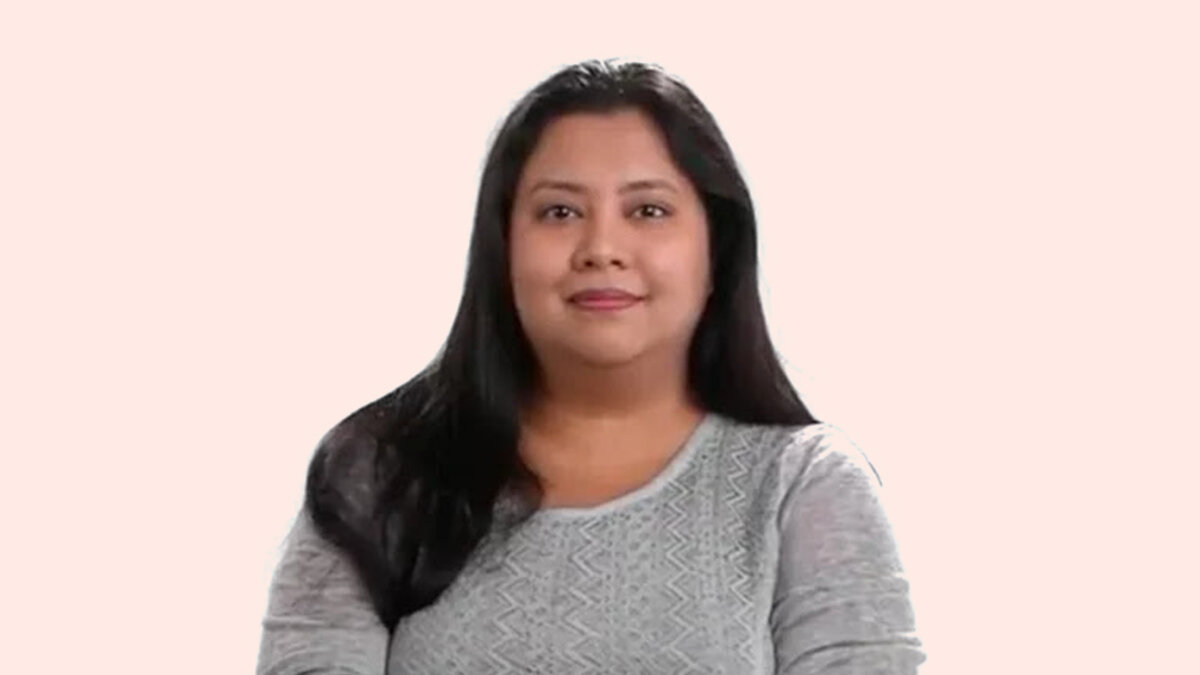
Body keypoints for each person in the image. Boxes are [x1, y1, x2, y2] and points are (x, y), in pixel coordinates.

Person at [255, 58, 926, 674]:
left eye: (648, 210)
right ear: (502, 248)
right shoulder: (378, 478)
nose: (602, 247)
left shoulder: (801, 488)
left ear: (715, 249)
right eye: (560, 211)